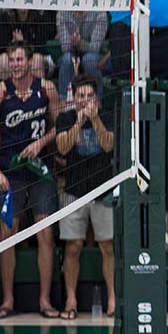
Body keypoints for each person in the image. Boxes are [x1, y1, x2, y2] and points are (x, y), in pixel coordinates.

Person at [0, 42, 62, 320]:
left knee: (45, 234)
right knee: (7, 234)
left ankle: (44, 301)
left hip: (40, 171)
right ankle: (7, 300)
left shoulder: (47, 89)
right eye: (11, 60)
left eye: (19, 59)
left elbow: (58, 127)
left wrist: (40, 143)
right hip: (10, 173)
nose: (15, 64)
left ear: (29, 61)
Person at [54, 74, 114, 320]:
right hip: (73, 191)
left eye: (90, 96)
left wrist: (95, 118)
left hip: (103, 189)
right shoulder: (65, 118)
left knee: (107, 246)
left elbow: (109, 145)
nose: (85, 100)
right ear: (73, 98)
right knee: (73, 246)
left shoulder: (108, 116)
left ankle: (112, 298)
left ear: (96, 97)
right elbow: (63, 147)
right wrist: (78, 122)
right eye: (81, 96)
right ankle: (71, 300)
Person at [56, 0, 106, 101]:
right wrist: (74, 44)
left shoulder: (99, 13)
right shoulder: (62, 13)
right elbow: (65, 47)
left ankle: (97, 100)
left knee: (89, 59)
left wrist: (80, 43)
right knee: (68, 59)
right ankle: (64, 101)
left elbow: (95, 47)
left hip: (94, 55)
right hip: (71, 52)